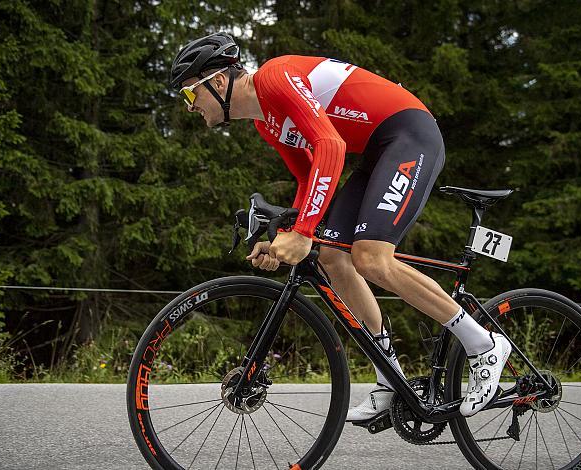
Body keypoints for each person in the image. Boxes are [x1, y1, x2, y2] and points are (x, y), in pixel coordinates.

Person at [170, 32, 512, 420]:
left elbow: (330, 147)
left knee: (371, 257)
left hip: (409, 133)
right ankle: (390, 378)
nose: (189, 107)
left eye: (188, 95)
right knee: (333, 257)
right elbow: (306, 180)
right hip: (378, 150)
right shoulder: (267, 123)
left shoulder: (274, 77)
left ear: (216, 82)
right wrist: (287, 234)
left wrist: (302, 233)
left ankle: (483, 344)